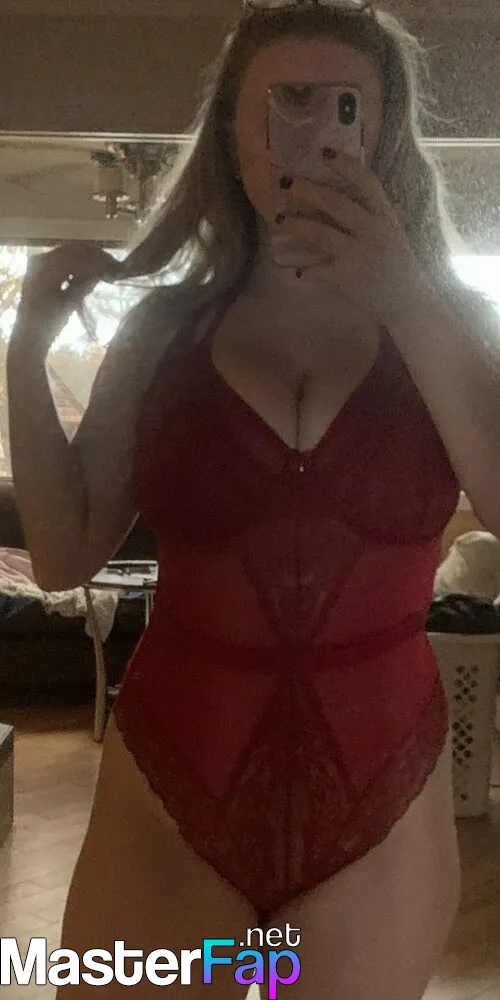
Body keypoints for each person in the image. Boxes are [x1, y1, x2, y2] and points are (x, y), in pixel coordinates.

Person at [7, 1, 500, 998]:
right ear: (229, 134)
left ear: (384, 133)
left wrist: (405, 295)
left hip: (376, 797)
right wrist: (24, 354)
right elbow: (62, 556)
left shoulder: (452, 323)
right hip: (171, 783)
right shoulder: (161, 330)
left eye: (342, 103)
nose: (310, 127)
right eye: (284, 101)